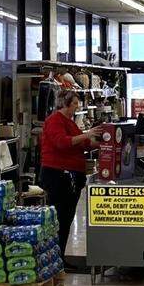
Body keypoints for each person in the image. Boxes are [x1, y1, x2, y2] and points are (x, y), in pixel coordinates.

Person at [40, 90, 102, 254]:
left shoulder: (69, 122)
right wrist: (86, 135)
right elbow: (62, 142)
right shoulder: (54, 121)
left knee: (66, 219)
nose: (77, 106)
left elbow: (83, 144)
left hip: (71, 176)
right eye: (75, 103)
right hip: (58, 176)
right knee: (60, 217)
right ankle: (55, 256)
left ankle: (60, 257)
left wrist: (106, 143)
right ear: (65, 103)